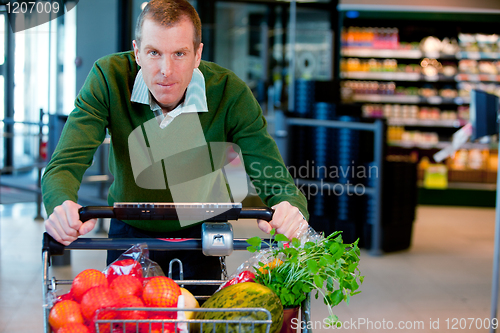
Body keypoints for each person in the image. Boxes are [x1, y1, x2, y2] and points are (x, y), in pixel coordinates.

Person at [42, 0, 309, 290]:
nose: (165, 70)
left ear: (198, 54)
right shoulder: (109, 78)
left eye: (179, 53)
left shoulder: (230, 93)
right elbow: (64, 164)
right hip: (127, 233)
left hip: (202, 237)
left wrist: (289, 207)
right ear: (137, 52)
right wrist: (61, 205)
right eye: (154, 52)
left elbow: (274, 177)